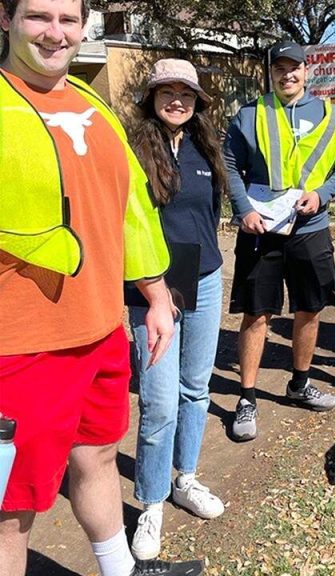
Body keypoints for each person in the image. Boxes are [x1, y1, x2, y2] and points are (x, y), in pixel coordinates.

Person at [0, 0, 203, 574]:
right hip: (18, 349)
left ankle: (121, 569)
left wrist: (157, 294)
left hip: (101, 332)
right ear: (6, 19)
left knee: (98, 456)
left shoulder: (95, 106)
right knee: (11, 506)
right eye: (39, 16)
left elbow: (131, 209)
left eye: (68, 19)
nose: (55, 32)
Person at [223, 40, 335, 441]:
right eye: (279, 68)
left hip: (311, 229)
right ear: (270, 72)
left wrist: (321, 194)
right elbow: (229, 165)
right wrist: (243, 207)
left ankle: (299, 383)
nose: (288, 75)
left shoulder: (333, 117)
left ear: (306, 71)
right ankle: (246, 397)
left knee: (309, 309)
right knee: (256, 313)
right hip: (261, 229)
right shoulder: (250, 114)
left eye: (294, 67)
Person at [126, 59, 228, 560]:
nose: (176, 101)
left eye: (185, 94)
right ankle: (151, 504)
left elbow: (211, 213)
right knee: (159, 401)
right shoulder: (132, 150)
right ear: (151, 98)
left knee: (196, 389)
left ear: (197, 102)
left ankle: (185, 477)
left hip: (205, 278)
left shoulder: (205, 147)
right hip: (151, 287)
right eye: (166, 92)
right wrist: (150, 288)